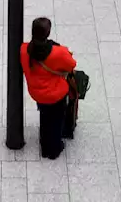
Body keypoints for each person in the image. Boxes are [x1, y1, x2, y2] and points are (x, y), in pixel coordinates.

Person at [20, 17, 78, 160]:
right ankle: (53, 149)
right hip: (56, 95)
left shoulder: (23, 50)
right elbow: (72, 64)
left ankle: (44, 143)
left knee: (45, 116)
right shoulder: (58, 53)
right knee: (56, 120)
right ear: (48, 33)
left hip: (36, 93)